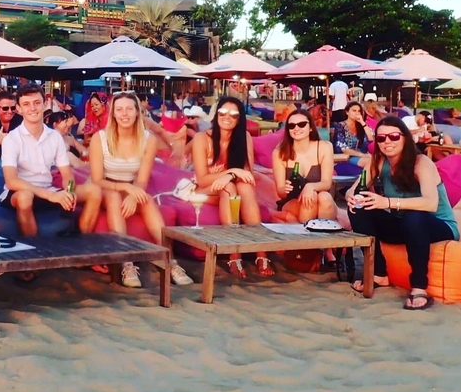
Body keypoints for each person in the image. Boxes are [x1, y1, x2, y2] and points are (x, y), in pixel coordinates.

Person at [347, 115, 459, 309]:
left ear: (405, 138)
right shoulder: (378, 161)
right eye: (381, 138)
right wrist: (351, 196)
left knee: (413, 216)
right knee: (359, 209)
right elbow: (356, 187)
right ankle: (378, 273)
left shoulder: (421, 162)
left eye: (393, 136)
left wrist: (387, 202)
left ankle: (419, 287)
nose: (387, 142)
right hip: (404, 224)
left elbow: (430, 204)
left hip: (438, 225)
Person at [89, 91, 193, 288]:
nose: (124, 114)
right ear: (113, 113)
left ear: (137, 112)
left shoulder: (148, 139)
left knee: (147, 200)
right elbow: (97, 179)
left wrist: (133, 194)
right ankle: (126, 262)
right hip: (105, 186)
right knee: (113, 197)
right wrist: (126, 188)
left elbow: (142, 179)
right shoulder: (100, 138)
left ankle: (170, 261)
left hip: (132, 186)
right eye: (119, 109)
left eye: (129, 109)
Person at [1, 83, 102, 240]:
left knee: (94, 191)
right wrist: (49, 195)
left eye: (37, 103)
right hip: (20, 192)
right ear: (19, 109)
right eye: (26, 104)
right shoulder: (12, 139)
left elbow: (67, 174)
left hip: (48, 190)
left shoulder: (54, 137)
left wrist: (69, 191)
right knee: (25, 196)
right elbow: (12, 181)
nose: (32, 108)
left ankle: (83, 244)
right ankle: (33, 250)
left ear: (44, 104)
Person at [192, 96, 273, 278]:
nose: (227, 117)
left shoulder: (244, 137)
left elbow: (248, 175)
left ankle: (261, 253)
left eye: (233, 114)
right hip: (205, 189)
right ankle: (234, 255)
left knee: (243, 187)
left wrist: (230, 175)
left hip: (231, 188)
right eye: (222, 112)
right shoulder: (202, 138)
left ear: (239, 118)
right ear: (216, 114)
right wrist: (232, 171)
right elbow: (203, 179)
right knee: (229, 187)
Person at [272, 109, 337, 223]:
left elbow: (327, 184)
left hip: (320, 198)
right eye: (291, 126)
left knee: (324, 197)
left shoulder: (324, 147)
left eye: (301, 124)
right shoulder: (279, 153)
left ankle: (324, 232)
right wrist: (285, 189)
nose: (296, 128)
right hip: (291, 201)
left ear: (311, 127)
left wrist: (310, 187)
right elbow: (280, 192)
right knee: (311, 200)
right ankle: (308, 232)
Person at [332, 101, 373, 168]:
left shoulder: (362, 126)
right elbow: (343, 149)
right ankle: (365, 174)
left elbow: (371, 138)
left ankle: (367, 174)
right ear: (347, 112)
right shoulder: (340, 126)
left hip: (362, 155)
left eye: (359, 111)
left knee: (375, 160)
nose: (357, 113)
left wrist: (362, 122)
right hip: (347, 156)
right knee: (369, 162)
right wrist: (362, 155)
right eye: (354, 111)